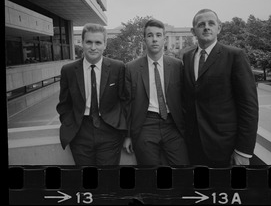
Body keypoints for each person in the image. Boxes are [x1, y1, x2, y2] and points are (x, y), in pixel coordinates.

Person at [183, 9, 258, 167]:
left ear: (219, 27)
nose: (206, 27)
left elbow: (249, 106)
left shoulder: (235, 56)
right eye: (201, 24)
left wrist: (243, 151)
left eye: (211, 23)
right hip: (193, 145)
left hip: (224, 146)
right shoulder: (187, 57)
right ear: (193, 31)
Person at [56, 23, 127, 165]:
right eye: (89, 42)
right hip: (80, 132)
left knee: (107, 179)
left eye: (98, 42)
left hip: (110, 131)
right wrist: (70, 124)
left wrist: (125, 131)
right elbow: (64, 104)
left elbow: (125, 101)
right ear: (82, 43)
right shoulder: (68, 70)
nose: (93, 47)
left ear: (105, 44)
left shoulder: (118, 67)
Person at [123, 19, 189, 166]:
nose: (154, 39)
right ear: (144, 39)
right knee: (149, 173)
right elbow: (127, 104)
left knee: (183, 168)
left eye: (158, 35)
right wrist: (127, 136)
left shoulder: (177, 65)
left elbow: (185, 98)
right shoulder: (131, 68)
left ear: (164, 39)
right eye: (150, 35)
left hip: (173, 125)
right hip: (145, 124)